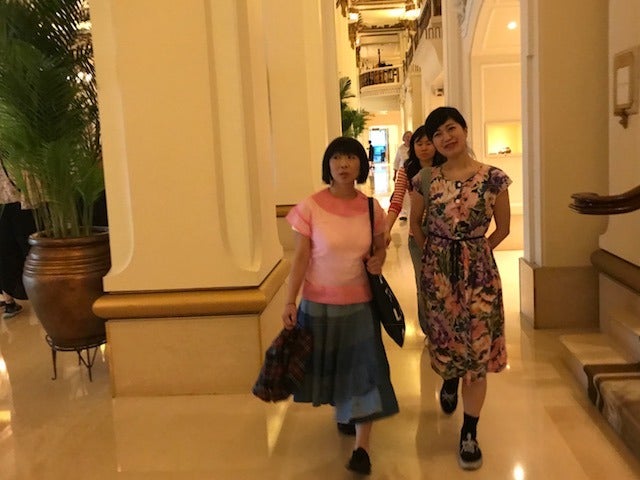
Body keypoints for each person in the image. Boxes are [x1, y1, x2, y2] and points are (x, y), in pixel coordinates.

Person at [282, 137, 399, 475]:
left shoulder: (371, 208)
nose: (344, 164)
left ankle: (362, 449)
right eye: (337, 157)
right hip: (318, 306)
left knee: (364, 370)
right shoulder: (310, 207)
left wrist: (379, 259)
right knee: (334, 370)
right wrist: (289, 300)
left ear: (361, 164)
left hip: (360, 305)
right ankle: (346, 410)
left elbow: (380, 247)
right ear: (328, 164)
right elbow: (300, 258)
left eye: (351, 157)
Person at [412, 107, 511, 471]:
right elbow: (415, 225)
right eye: (437, 134)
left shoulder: (494, 178)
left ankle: (469, 432)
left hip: (480, 278)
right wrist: (434, 258)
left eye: (451, 128)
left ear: (464, 129)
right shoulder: (425, 179)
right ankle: (450, 379)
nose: (446, 138)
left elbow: (503, 228)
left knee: (478, 350)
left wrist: (476, 254)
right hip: (439, 276)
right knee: (448, 341)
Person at [385, 126, 445, 336]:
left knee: (445, 284)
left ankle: (445, 327)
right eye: (419, 143)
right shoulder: (407, 170)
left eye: (428, 143)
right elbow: (397, 200)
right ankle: (429, 329)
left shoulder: (445, 168)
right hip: (417, 235)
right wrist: (386, 228)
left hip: (445, 235)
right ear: (412, 147)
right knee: (424, 284)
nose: (424, 148)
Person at [0, 161, 36, 319]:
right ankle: (9, 299)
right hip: (10, 197)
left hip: (19, 196)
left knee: (25, 247)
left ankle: (36, 296)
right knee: (6, 248)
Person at [393, 131, 412, 219]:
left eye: (410, 136)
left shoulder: (414, 147)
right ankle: (403, 213)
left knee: (412, 193)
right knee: (402, 195)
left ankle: (413, 211)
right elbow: (396, 162)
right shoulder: (400, 149)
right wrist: (395, 174)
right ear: (403, 138)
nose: (408, 138)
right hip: (402, 173)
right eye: (407, 137)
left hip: (413, 172)